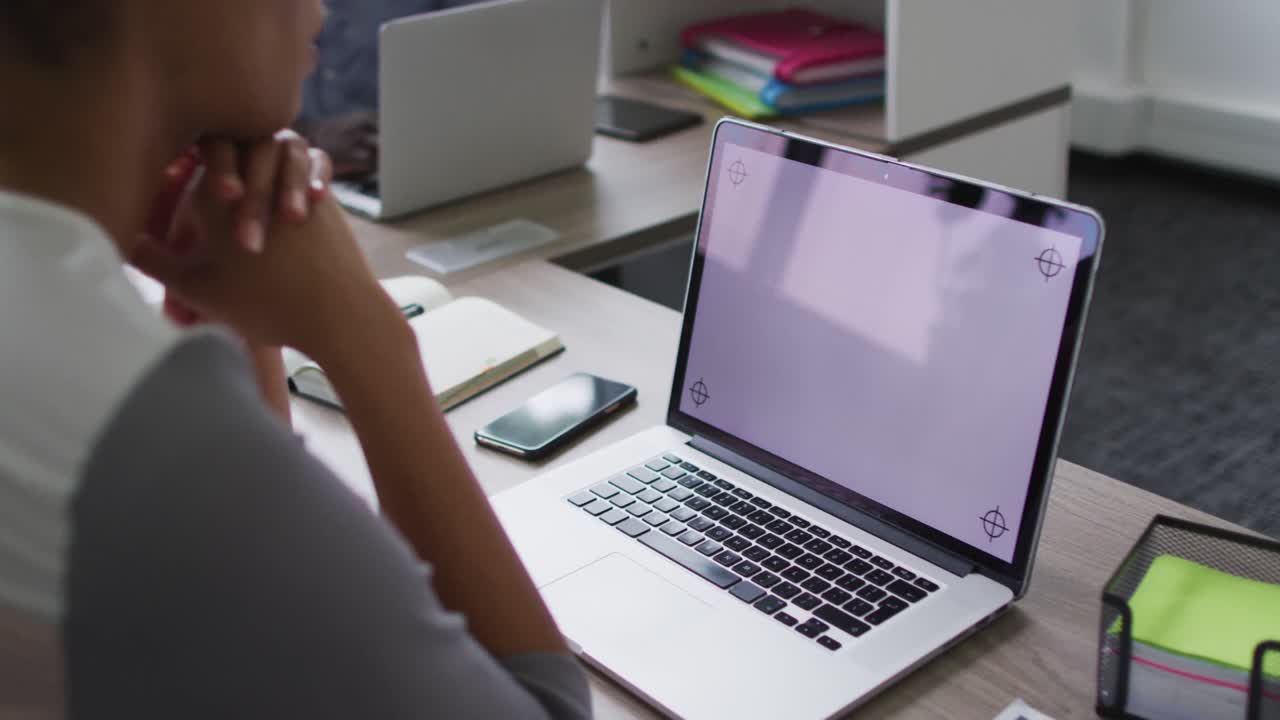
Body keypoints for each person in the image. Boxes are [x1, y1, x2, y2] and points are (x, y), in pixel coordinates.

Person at [0, 1, 589, 718]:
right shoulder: (136, 430)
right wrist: (367, 341)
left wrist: (232, 317)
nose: (320, 5)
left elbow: (250, 625)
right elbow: (542, 707)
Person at [298, 0, 482, 176]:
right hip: (296, 167)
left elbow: (482, 71)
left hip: (405, 167)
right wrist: (310, 135)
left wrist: (402, 133)